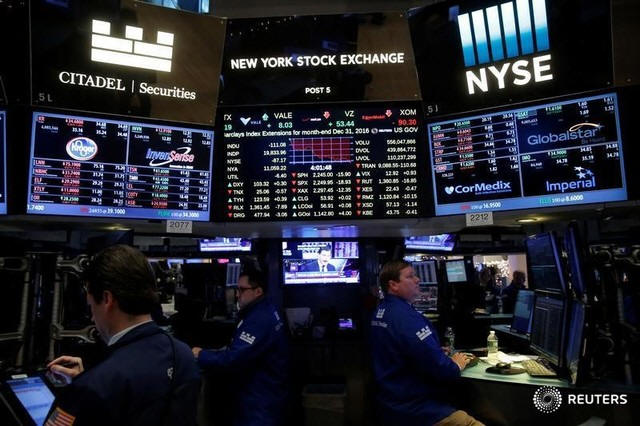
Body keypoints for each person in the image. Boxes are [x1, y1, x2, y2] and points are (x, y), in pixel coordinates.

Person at [45, 245, 201, 426]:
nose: (92, 317)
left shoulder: (93, 386)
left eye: (91, 306)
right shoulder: (182, 354)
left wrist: (84, 387)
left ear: (107, 299)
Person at [370, 260, 484, 426]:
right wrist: (456, 364)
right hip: (417, 408)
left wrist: (433, 351)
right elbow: (441, 368)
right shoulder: (407, 318)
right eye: (410, 276)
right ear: (393, 285)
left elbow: (404, 351)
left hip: (390, 403)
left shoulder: (381, 311)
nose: (417, 280)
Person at [192, 270, 289, 426]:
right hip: (265, 394)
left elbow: (233, 359)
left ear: (258, 291)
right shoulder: (266, 308)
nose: (237, 295)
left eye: (242, 290)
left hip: (258, 402)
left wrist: (201, 355)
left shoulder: (258, 319)